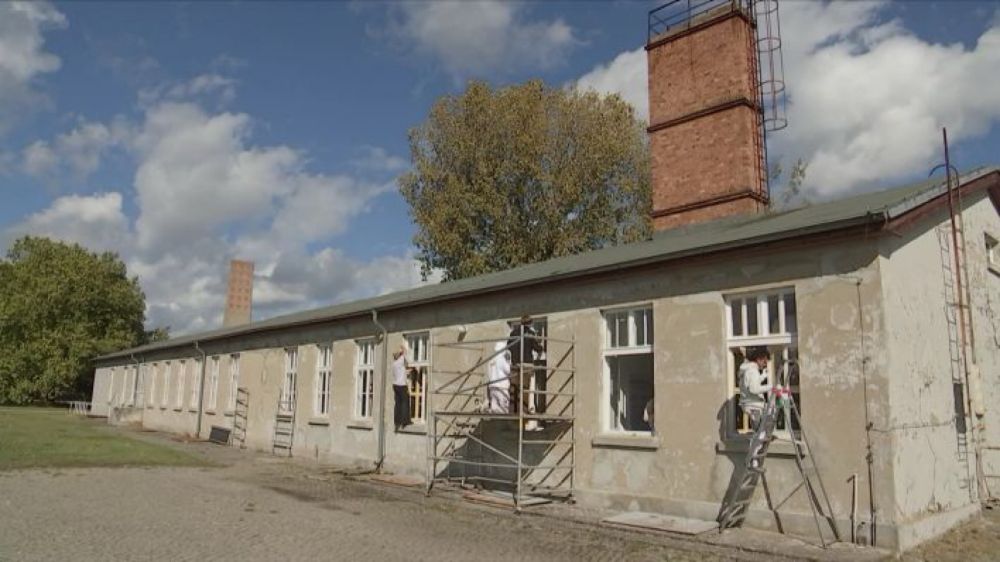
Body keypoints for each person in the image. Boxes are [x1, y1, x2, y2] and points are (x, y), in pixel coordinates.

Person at [739, 347, 772, 468]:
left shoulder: (750, 370)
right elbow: (754, 389)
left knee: (759, 432)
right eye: (764, 361)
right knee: (760, 433)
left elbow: (753, 383)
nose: (765, 364)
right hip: (753, 406)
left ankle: (753, 457)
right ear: (758, 359)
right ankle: (753, 458)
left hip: (752, 405)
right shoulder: (752, 371)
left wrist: (762, 376)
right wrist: (771, 387)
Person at [507, 315, 543, 416]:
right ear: (530, 323)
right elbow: (537, 347)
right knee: (524, 387)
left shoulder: (513, 333)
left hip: (514, 364)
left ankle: (513, 411)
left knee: (514, 388)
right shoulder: (530, 333)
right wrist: (541, 348)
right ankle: (523, 410)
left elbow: (508, 347)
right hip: (526, 364)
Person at [486, 341, 511, 413]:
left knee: (494, 406)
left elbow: (489, 373)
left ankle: (492, 412)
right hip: (501, 387)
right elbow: (508, 371)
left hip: (492, 386)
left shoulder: (492, 360)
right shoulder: (502, 359)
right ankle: (504, 421)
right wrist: (508, 361)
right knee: (504, 408)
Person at [392, 344, 412, 430]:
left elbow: (402, 371)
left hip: (395, 385)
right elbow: (406, 354)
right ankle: (405, 422)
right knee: (405, 402)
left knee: (398, 403)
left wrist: (407, 372)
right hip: (401, 385)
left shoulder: (394, 364)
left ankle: (397, 422)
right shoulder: (400, 360)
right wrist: (402, 349)